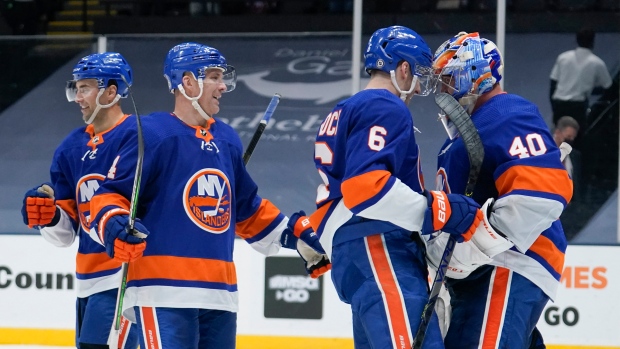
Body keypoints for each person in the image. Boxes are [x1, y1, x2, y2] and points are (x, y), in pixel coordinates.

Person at [88, 42, 331, 349]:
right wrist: (114, 225)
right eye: (214, 77)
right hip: (162, 288)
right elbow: (109, 196)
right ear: (186, 82)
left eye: (222, 77)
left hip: (219, 292)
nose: (223, 86)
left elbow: (246, 209)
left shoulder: (227, 139)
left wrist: (292, 234)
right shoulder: (152, 133)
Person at [308, 25, 483, 349]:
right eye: (418, 74)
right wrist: (440, 210)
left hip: (355, 253)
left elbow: (345, 189)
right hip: (379, 246)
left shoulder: (341, 110)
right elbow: (365, 189)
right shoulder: (384, 105)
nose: (418, 89)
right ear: (403, 68)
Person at [430, 32, 572, 349]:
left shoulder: (506, 112)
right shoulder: (467, 132)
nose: (442, 92)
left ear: (476, 75)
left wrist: (468, 250)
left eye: (449, 80)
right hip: (482, 278)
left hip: (506, 268)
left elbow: (540, 193)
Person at [21, 52, 139, 349]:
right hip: (88, 279)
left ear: (112, 91)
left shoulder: (138, 136)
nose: (77, 97)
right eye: (75, 88)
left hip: (126, 278)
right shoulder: (70, 147)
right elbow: (67, 234)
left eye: (84, 87)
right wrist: (47, 216)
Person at [550, 28, 612, 132]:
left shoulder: (563, 58)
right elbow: (609, 87)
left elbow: (553, 84)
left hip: (560, 106)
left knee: (560, 138)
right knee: (576, 139)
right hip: (577, 108)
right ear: (593, 42)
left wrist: (554, 106)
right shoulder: (597, 63)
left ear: (576, 40)